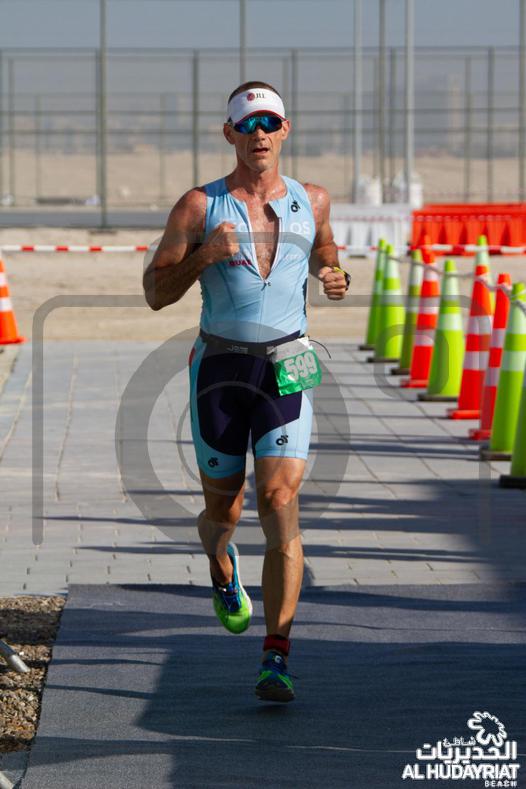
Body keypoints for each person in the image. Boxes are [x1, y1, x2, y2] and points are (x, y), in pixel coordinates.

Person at [143, 81, 349, 702]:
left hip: (287, 362)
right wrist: (204, 256)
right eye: (247, 124)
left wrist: (332, 269)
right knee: (223, 512)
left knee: (279, 498)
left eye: (269, 122)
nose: (259, 134)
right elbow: (155, 293)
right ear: (229, 134)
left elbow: (324, 244)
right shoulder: (198, 206)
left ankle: (276, 654)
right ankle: (220, 566)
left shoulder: (312, 199)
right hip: (220, 371)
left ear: (285, 130)